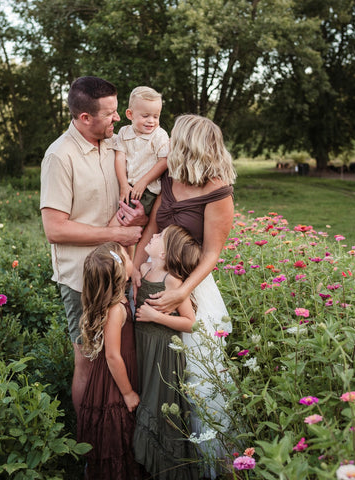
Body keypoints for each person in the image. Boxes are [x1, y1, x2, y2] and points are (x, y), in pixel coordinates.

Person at [128, 114, 237, 477]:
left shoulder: (219, 192)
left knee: (195, 378)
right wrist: (134, 270)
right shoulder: (170, 179)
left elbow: (212, 254)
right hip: (155, 277)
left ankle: (208, 463)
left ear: (189, 144)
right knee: (158, 368)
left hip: (191, 289)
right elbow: (151, 229)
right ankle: (162, 453)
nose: (168, 143)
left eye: (175, 137)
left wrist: (182, 294)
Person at [40, 76, 146, 416]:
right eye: (111, 113)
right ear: (85, 117)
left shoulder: (114, 146)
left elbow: (117, 208)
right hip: (82, 280)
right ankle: (88, 444)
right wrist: (113, 236)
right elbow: (54, 229)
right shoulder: (60, 156)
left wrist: (134, 217)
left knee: (121, 352)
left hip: (120, 269)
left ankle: (116, 436)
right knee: (87, 360)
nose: (118, 119)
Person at [133, 225, 201, 480]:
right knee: (142, 396)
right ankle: (144, 464)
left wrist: (155, 316)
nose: (153, 235)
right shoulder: (145, 269)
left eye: (160, 236)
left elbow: (190, 323)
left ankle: (167, 469)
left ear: (165, 253)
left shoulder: (171, 280)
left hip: (163, 352)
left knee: (158, 404)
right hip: (142, 347)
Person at [77, 242, 142, 480]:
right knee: (115, 432)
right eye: (127, 256)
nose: (130, 256)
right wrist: (127, 392)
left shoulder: (115, 300)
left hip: (116, 373)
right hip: (115, 380)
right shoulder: (116, 310)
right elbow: (113, 356)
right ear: (121, 274)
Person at [114, 86, 169, 217]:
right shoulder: (124, 132)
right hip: (127, 186)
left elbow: (164, 161)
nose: (151, 121)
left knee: (123, 218)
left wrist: (143, 182)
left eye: (156, 116)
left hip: (147, 190)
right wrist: (123, 184)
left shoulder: (159, 135)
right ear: (130, 114)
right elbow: (119, 158)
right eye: (145, 116)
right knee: (120, 216)